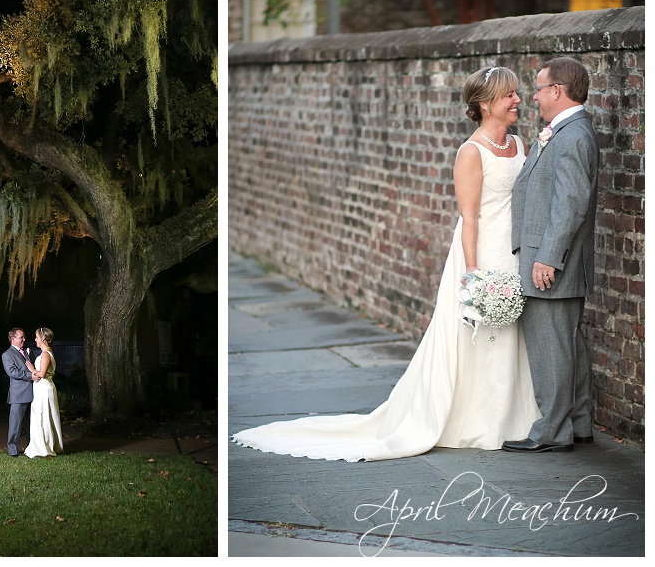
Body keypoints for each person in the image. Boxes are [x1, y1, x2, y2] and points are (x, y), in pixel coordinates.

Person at [232, 65, 541, 461]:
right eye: (508, 95)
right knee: (478, 337)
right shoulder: (470, 152)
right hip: (480, 253)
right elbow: (471, 218)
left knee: (512, 335)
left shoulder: (519, 145)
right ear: (484, 105)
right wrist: (472, 275)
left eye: (517, 93)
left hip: (513, 253)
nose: (517, 100)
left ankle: (514, 420)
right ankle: (477, 421)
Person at [502, 57, 598, 453]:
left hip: (552, 261)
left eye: (539, 89)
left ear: (557, 91)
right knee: (567, 343)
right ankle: (578, 423)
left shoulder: (573, 135)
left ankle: (551, 433)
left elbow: (569, 204)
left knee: (551, 346)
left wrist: (547, 258)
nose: (534, 97)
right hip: (555, 257)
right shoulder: (565, 131)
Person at [23, 327, 64, 457]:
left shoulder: (46, 354)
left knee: (43, 416)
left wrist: (31, 369)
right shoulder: (46, 352)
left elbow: (41, 373)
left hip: (44, 388)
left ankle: (44, 448)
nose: (35, 339)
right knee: (42, 415)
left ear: (43, 339)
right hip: (42, 387)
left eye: (36, 337)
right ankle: (43, 445)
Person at [2, 328, 38, 457]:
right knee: (15, 424)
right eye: (21, 337)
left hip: (32, 393)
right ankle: (13, 451)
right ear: (13, 339)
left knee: (32, 424)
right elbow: (12, 372)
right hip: (19, 394)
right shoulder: (7, 354)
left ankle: (32, 448)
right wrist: (30, 376)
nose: (24, 339)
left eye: (23, 337)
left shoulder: (26, 352)